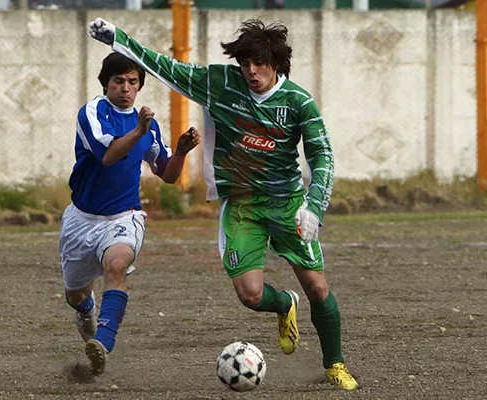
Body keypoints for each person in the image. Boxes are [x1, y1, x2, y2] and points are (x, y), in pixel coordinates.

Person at [88, 18, 358, 390]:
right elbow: (167, 67)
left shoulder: (298, 101)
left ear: (276, 63)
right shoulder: (221, 84)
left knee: (318, 288)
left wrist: (314, 206)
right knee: (250, 295)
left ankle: (335, 364)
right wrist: (118, 39)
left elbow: (322, 156)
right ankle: (283, 305)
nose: (250, 71)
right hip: (243, 205)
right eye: (244, 63)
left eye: (258, 64)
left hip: (287, 204)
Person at [59, 51, 200, 377]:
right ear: (106, 83)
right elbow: (108, 156)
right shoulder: (92, 113)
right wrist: (138, 131)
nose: (125, 87)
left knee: (117, 264)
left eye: (132, 82)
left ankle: (103, 343)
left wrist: (179, 151)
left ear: (139, 86)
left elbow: (166, 173)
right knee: (75, 292)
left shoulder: (147, 126)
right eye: (119, 81)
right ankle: (86, 310)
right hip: (82, 220)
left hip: (124, 216)